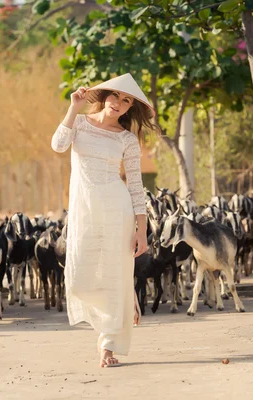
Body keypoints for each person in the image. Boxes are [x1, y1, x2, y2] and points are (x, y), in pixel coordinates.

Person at [50, 73, 157, 368]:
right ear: (105, 95)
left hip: (116, 209)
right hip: (84, 209)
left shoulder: (126, 139)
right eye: (116, 96)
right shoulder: (80, 123)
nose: (119, 104)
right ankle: (124, 298)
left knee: (113, 273)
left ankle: (108, 343)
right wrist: (73, 107)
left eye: (126, 101)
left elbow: (136, 186)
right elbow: (59, 145)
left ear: (129, 108)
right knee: (78, 280)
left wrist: (142, 231)